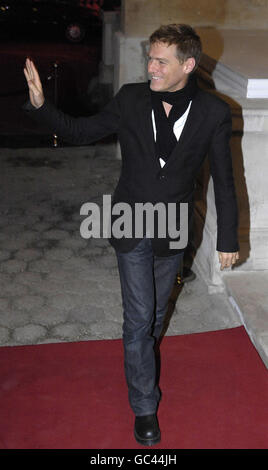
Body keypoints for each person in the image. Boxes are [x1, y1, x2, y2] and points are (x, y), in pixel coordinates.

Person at [23, 24, 239, 446]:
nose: (151, 67)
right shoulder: (131, 98)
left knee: (155, 317)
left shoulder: (213, 113)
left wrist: (226, 238)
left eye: (161, 61)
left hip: (173, 229)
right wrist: (41, 105)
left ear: (187, 65)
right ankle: (144, 406)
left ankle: (139, 354)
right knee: (139, 319)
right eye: (150, 58)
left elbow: (226, 182)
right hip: (129, 221)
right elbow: (82, 131)